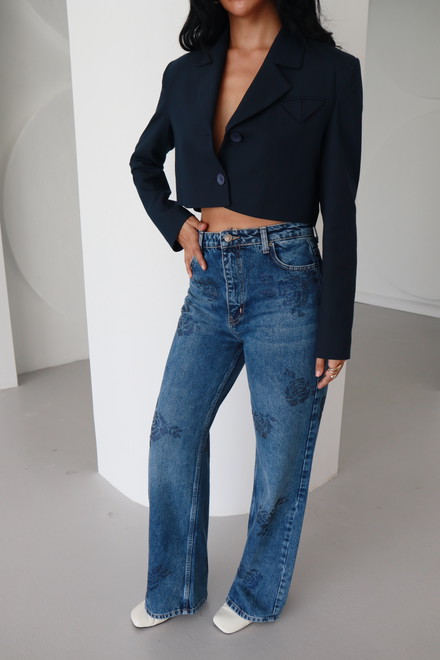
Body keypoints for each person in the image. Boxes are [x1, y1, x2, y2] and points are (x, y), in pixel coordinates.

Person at [128, 0, 362, 634]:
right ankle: (174, 586)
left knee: (279, 450)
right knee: (172, 434)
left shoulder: (331, 71)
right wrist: (176, 224)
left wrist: (336, 327)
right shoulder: (186, 73)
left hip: (288, 279)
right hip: (209, 280)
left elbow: (340, 207)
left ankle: (257, 594)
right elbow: (144, 163)